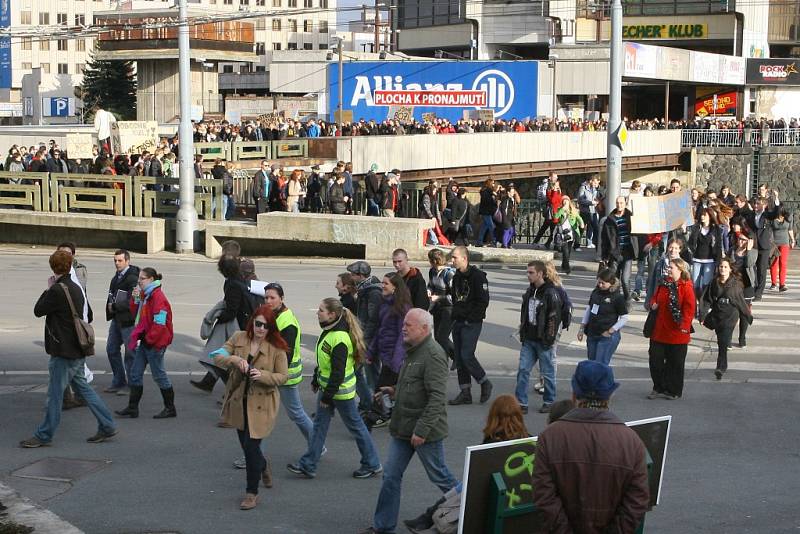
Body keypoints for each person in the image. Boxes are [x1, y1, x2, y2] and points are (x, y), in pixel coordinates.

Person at [360, 309, 459, 534]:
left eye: (409, 325)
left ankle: (467, 511)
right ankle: (383, 527)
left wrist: (422, 430)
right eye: (404, 323)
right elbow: (414, 385)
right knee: (391, 476)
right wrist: (393, 391)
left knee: (441, 477)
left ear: (424, 329)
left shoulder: (433, 355)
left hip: (424, 432)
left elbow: (436, 398)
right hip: (403, 428)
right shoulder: (413, 350)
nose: (403, 327)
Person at [532, 360, 649, 533]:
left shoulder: (550, 437)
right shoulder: (631, 441)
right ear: (609, 397)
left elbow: (544, 497)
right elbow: (637, 501)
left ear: (574, 394)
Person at [20, 251, 117, 448]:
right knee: (84, 389)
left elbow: (38, 310)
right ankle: (107, 425)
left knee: (55, 394)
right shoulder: (75, 287)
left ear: (53, 268)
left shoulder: (57, 290)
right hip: (77, 349)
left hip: (63, 351)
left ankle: (44, 434)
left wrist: (48, 289)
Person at [287, 298, 382, 479]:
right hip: (330, 390)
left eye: (321, 310)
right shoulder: (330, 332)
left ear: (332, 315)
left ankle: (372, 463)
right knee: (320, 427)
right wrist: (316, 379)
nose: (318, 312)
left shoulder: (338, 338)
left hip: (339, 393)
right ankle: (309, 464)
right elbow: (326, 364)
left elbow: (338, 373)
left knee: (356, 427)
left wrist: (326, 397)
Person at [210, 305, 289, 510]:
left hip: (262, 404)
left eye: (266, 326)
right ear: (252, 321)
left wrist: (261, 375)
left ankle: (251, 493)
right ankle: (263, 465)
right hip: (239, 400)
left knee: (252, 448)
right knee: (247, 448)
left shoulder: (277, 347)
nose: (261, 329)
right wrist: (235, 360)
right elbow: (217, 355)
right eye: (258, 324)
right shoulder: (239, 337)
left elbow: (283, 377)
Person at [116, 268, 177, 419]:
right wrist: (135, 299)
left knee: (159, 376)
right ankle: (132, 408)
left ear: (151, 279)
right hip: (146, 341)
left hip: (154, 343)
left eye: (142, 279)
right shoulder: (146, 295)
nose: (139, 282)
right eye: (139, 279)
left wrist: (149, 340)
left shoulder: (158, 297)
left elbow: (160, 324)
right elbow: (134, 312)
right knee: (135, 374)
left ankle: (170, 408)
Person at [515, 260, 562, 414]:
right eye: (527, 272)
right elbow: (525, 314)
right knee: (523, 370)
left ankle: (549, 401)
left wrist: (549, 338)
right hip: (529, 339)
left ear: (540, 274)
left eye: (531, 272)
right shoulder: (529, 291)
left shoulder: (550, 292)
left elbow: (554, 317)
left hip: (543, 340)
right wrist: (523, 331)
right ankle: (521, 403)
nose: (528, 275)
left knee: (547, 372)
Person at [448, 246, 493, 405]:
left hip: (471, 322)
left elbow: (483, 302)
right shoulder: (457, 276)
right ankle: (465, 392)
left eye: (454, 257)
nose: (452, 261)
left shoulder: (478, 277)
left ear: (464, 258)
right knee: (460, 358)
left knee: (467, 355)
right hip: (458, 321)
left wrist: (470, 318)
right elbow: (455, 298)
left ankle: (484, 381)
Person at [647, 258, 695, 400]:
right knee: (655, 361)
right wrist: (653, 303)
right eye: (668, 268)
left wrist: (684, 326)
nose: (668, 270)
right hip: (659, 330)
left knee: (675, 364)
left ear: (680, 270)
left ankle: (673, 390)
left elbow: (689, 308)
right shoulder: (663, 284)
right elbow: (654, 298)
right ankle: (658, 387)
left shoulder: (686, 287)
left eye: (671, 268)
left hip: (677, 332)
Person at [700, 258, 753, 380]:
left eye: (725, 267)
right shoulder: (714, 282)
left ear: (730, 269)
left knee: (723, 340)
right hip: (718, 313)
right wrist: (702, 315)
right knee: (721, 340)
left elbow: (740, 300)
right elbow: (706, 299)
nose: (722, 269)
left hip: (731, 314)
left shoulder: (736, 283)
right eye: (721, 267)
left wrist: (747, 314)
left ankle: (720, 367)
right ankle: (724, 363)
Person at [104, 249, 140, 395]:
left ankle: (131, 385)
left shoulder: (132, 278)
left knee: (130, 353)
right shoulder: (116, 277)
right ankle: (118, 381)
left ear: (127, 261)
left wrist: (115, 306)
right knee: (111, 349)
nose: (117, 263)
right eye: (115, 260)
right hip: (117, 319)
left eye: (120, 260)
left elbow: (135, 301)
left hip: (128, 321)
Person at [577, 269, 629, 365]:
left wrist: (611, 330)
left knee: (600, 365)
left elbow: (624, 317)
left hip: (607, 336)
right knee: (591, 364)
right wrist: (582, 327)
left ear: (611, 283)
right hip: (592, 333)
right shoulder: (595, 292)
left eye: (603, 283)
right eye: (599, 282)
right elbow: (589, 308)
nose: (600, 285)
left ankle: (601, 380)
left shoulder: (617, 297)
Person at [600, 196, 638, 301]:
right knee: (614, 280)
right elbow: (605, 239)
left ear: (625, 204)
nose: (619, 205)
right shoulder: (609, 219)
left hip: (627, 252)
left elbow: (639, 233)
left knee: (625, 280)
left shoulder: (631, 217)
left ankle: (627, 300)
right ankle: (615, 300)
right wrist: (604, 256)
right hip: (615, 253)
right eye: (617, 203)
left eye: (621, 203)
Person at [686, 207, 723, 303]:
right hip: (697, 259)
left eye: (705, 215)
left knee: (706, 284)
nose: (702, 217)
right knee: (695, 283)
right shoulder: (696, 227)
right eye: (701, 215)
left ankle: (704, 303)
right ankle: (694, 302)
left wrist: (718, 261)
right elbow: (690, 243)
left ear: (710, 217)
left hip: (710, 260)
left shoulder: (715, 229)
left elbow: (718, 246)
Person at [749, 194, 781, 300]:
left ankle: (759, 293)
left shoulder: (767, 215)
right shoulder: (751, 215)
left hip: (764, 245)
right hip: (754, 245)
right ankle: (754, 288)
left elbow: (776, 213)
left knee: (761, 270)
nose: (756, 206)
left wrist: (776, 199)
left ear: (764, 205)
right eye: (755, 204)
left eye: (758, 204)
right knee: (752, 268)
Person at [427, 249, 455, 363]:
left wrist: (438, 297)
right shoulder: (432, 271)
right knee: (438, 337)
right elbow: (430, 284)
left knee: (442, 336)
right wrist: (429, 290)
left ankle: (453, 357)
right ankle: (451, 358)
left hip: (449, 309)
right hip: (437, 308)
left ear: (434, 261)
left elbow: (454, 296)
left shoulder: (449, 274)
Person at [731, 231, 757, 349]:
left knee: (744, 314)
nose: (740, 241)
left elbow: (749, 263)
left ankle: (742, 338)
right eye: (739, 239)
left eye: (743, 239)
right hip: (733, 286)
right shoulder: (732, 250)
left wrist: (749, 250)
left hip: (746, 287)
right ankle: (727, 339)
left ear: (749, 241)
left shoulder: (753, 252)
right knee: (732, 314)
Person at [554, 196, 584, 274]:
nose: (565, 203)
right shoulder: (560, 210)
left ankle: (564, 265)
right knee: (565, 251)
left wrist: (581, 224)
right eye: (563, 201)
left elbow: (579, 218)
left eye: (566, 201)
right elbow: (555, 217)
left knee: (568, 251)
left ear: (569, 202)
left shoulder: (573, 210)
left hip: (571, 233)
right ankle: (567, 268)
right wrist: (561, 210)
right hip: (562, 233)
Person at [769, 207, 795, 292]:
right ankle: (773, 283)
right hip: (774, 243)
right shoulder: (772, 218)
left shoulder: (788, 218)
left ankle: (782, 284)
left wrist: (792, 240)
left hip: (785, 242)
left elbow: (790, 229)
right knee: (774, 263)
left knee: (783, 263)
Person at [475, 178, 497, 247]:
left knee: (484, 227)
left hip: (487, 211)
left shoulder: (488, 191)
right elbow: (487, 202)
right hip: (486, 212)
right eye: (493, 183)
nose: (494, 185)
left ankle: (479, 241)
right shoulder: (486, 192)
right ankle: (494, 241)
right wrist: (493, 196)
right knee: (491, 226)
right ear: (489, 184)